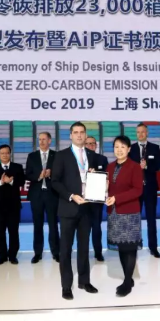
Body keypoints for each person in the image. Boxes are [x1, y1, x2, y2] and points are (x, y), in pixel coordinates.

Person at [51, 122, 99, 300]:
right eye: (76, 132)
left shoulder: (92, 156)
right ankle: (66, 285)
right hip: (68, 207)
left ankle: (84, 281)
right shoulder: (61, 155)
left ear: (85, 135)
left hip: (87, 208)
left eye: (82, 132)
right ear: (70, 135)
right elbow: (55, 181)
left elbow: (99, 178)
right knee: (65, 249)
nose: (79, 135)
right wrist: (71, 196)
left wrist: (95, 175)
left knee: (84, 247)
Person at [106, 135, 144, 297]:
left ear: (128, 149)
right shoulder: (109, 167)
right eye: (116, 147)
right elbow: (107, 188)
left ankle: (127, 282)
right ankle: (128, 278)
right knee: (121, 247)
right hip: (114, 213)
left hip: (129, 213)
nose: (119, 150)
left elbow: (137, 190)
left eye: (122, 147)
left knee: (130, 247)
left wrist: (117, 198)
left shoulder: (135, 167)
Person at [128, 123, 160, 258]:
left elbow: (158, 166)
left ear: (147, 133)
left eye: (143, 132)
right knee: (134, 219)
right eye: (138, 132)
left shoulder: (155, 148)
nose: (140, 134)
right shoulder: (131, 149)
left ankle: (153, 248)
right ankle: (133, 247)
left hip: (150, 189)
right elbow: (127, 168)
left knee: (151, 219)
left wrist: (147, 166)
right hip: (135, 190)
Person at [25, 132, 60, 263]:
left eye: (44, 139)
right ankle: (37, 253)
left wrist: (51, 174)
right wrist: (39, 176)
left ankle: (56, 252)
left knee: (53, 225)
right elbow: (28, 174)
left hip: (52, 195)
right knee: (37, 225)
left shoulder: (57, 155)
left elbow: (62, 173)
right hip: (37, 195)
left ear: (49, 141)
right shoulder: (32, 156)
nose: (41, 142)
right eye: (40, 139)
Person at [0, 144, 25, 265]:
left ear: (10, 154)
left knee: (13, 232)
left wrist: (11, 181)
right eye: (2, 153)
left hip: (13, 206)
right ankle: (2, 256)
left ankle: (13, 256)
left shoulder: (17, 167)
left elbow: (22, 181)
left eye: (7, 153)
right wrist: (1, 182)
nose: (5, 155)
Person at [85, 135, 108, 262]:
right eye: (88, 143)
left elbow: (106, 176)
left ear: (96, 145)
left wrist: (96, 174)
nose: (90, 146)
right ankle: (83, 252)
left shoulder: (102, 159)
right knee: (83, 228)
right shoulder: (80, 159)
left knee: (96, 227)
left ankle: (98, 252)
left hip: (96, 198)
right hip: (82, 199)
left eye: (93, 143)